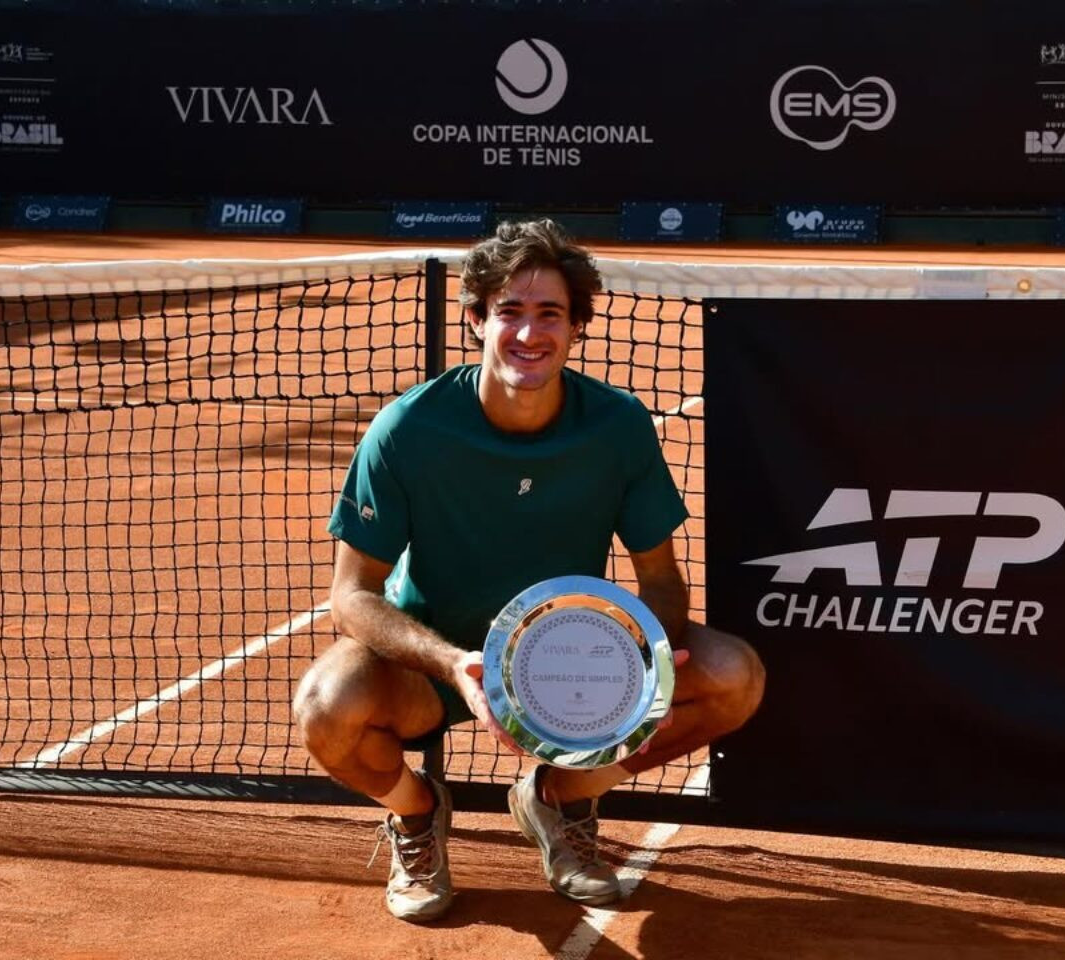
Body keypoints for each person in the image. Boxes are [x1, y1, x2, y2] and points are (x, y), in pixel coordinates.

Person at [292, 219, 765, 923]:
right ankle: (418, 813)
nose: (528, 333)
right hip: (430, 667)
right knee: (325, 707)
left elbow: (662, 580)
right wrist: (453, 664)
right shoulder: (406, 430)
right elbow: (351, 596)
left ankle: (557, 797)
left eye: (550, 313)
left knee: (733, 677)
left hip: (566, 667)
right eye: (509, 311)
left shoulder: (618, 425)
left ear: (577, 326)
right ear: (476, 319)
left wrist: (646, 668)